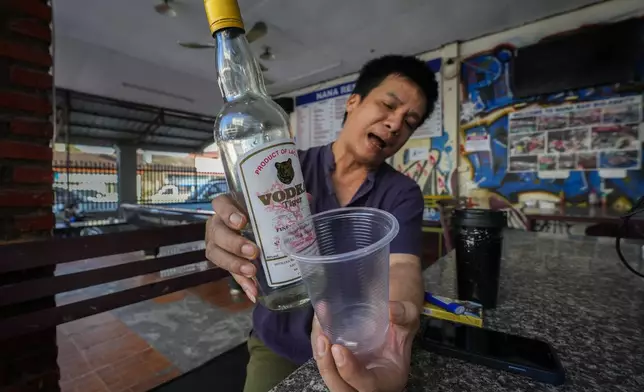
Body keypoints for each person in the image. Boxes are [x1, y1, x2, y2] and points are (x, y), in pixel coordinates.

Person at [205, 55, 439, 392]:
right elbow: (243, 219)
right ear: (353, 102)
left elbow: (402, 267)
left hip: (360, 348)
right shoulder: (286, 169)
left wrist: (393, 332)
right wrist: (227, 228)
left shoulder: (403, 193)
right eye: (389, 105)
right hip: (279, 344)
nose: (395, 124)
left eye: (410, 121)